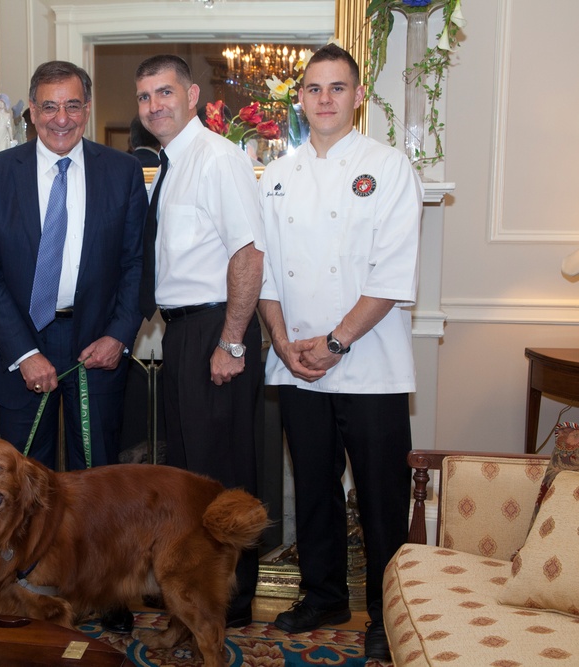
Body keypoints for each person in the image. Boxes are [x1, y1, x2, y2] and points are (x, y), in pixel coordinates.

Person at [256, 44, 422, 662]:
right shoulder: (276, 174)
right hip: (296, 361)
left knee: (381, 498)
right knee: (316, 487)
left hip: (368, 364)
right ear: (299, 98)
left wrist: (334, 343)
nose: (324, 99)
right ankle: (322, 594)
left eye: (336, 88)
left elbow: (390, 274)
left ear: (357, 97)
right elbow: (267, 273)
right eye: (313, 88)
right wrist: (282, 342)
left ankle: (386, 611)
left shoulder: (389, 167)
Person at [0, 62, 146, 617]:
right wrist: (24, 352)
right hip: (22, 347)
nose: (61, 118)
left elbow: (137, 264)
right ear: (31, 111)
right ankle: (24, 588)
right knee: (20, 485)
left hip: (97, 348)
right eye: (48, 106)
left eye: (72, 105)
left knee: (99, 481)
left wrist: (119, 334)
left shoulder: (121, 172)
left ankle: (106, 590)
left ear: (86, 109)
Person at [134, 54, 264, 629]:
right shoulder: (170, 165)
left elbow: (248, 253)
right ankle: (195, 591)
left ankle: (232, 604)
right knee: (189, 474)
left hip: (217, 327)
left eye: (164, 93)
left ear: (191, 97)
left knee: (221, 475)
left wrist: (232, 342)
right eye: (144, 97)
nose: (154, 105)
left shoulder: (219, 158)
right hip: (183, 331)